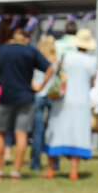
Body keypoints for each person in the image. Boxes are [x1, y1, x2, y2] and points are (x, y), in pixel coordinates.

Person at [0, 27, 53, 180]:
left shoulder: (2, 50)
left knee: (0, 132)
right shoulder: (29, 50)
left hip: (7, 95)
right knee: (21, 133)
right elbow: (50, 67)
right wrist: (41, 86)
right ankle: (16, 172)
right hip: (26, 95)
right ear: (26, 38)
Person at [43, 28, 97, 181]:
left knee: (56, 131)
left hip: (63, 99)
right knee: (78, 134)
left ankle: (50, 169)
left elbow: (56, 73)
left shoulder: (66, 56)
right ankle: (74, 171)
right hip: (81, 101)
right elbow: (93, 81)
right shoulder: (92, 61)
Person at [30, 34, 58, 172]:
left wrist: (37, 87)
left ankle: (35, 163)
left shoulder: (35, 59)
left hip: (38, 95)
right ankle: (55, 163)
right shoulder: (56, 61)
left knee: (38, 131)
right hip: (52, 97)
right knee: (53, 131)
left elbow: (30, 76)